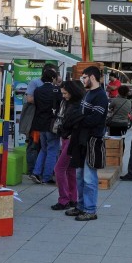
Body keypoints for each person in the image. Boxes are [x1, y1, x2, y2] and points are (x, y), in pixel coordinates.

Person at [65, 66, 107, 221]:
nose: (82, 80)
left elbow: (94, 119)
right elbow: (81, 115)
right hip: (81, 140)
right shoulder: (88, 94)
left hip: (92, 140)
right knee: (80, 175)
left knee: (89, 177)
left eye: (84, 77)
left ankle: (90, 210)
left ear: (92, 77)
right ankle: (81, 206)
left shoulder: (100, 96)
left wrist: (78, 120)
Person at [51, 79, 84, 211]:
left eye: (65, 93)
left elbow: (77, 123)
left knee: (59, 169)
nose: (63, 96)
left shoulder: (76, 106)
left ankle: (64, 199)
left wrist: (71, 133)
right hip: (68, 138)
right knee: (70, 169)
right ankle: (72, 199)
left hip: (70, 140)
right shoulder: (72, 103)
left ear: (72, 92)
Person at [30, 67, 62, 184]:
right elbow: (60, 106)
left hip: (39, 123)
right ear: (53, 78)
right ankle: (47, 176)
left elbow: (36, 105)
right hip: (52, 123)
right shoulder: (56, 90)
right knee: (53, 149)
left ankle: (36, 172)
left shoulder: (38, 90)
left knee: (43, 149)